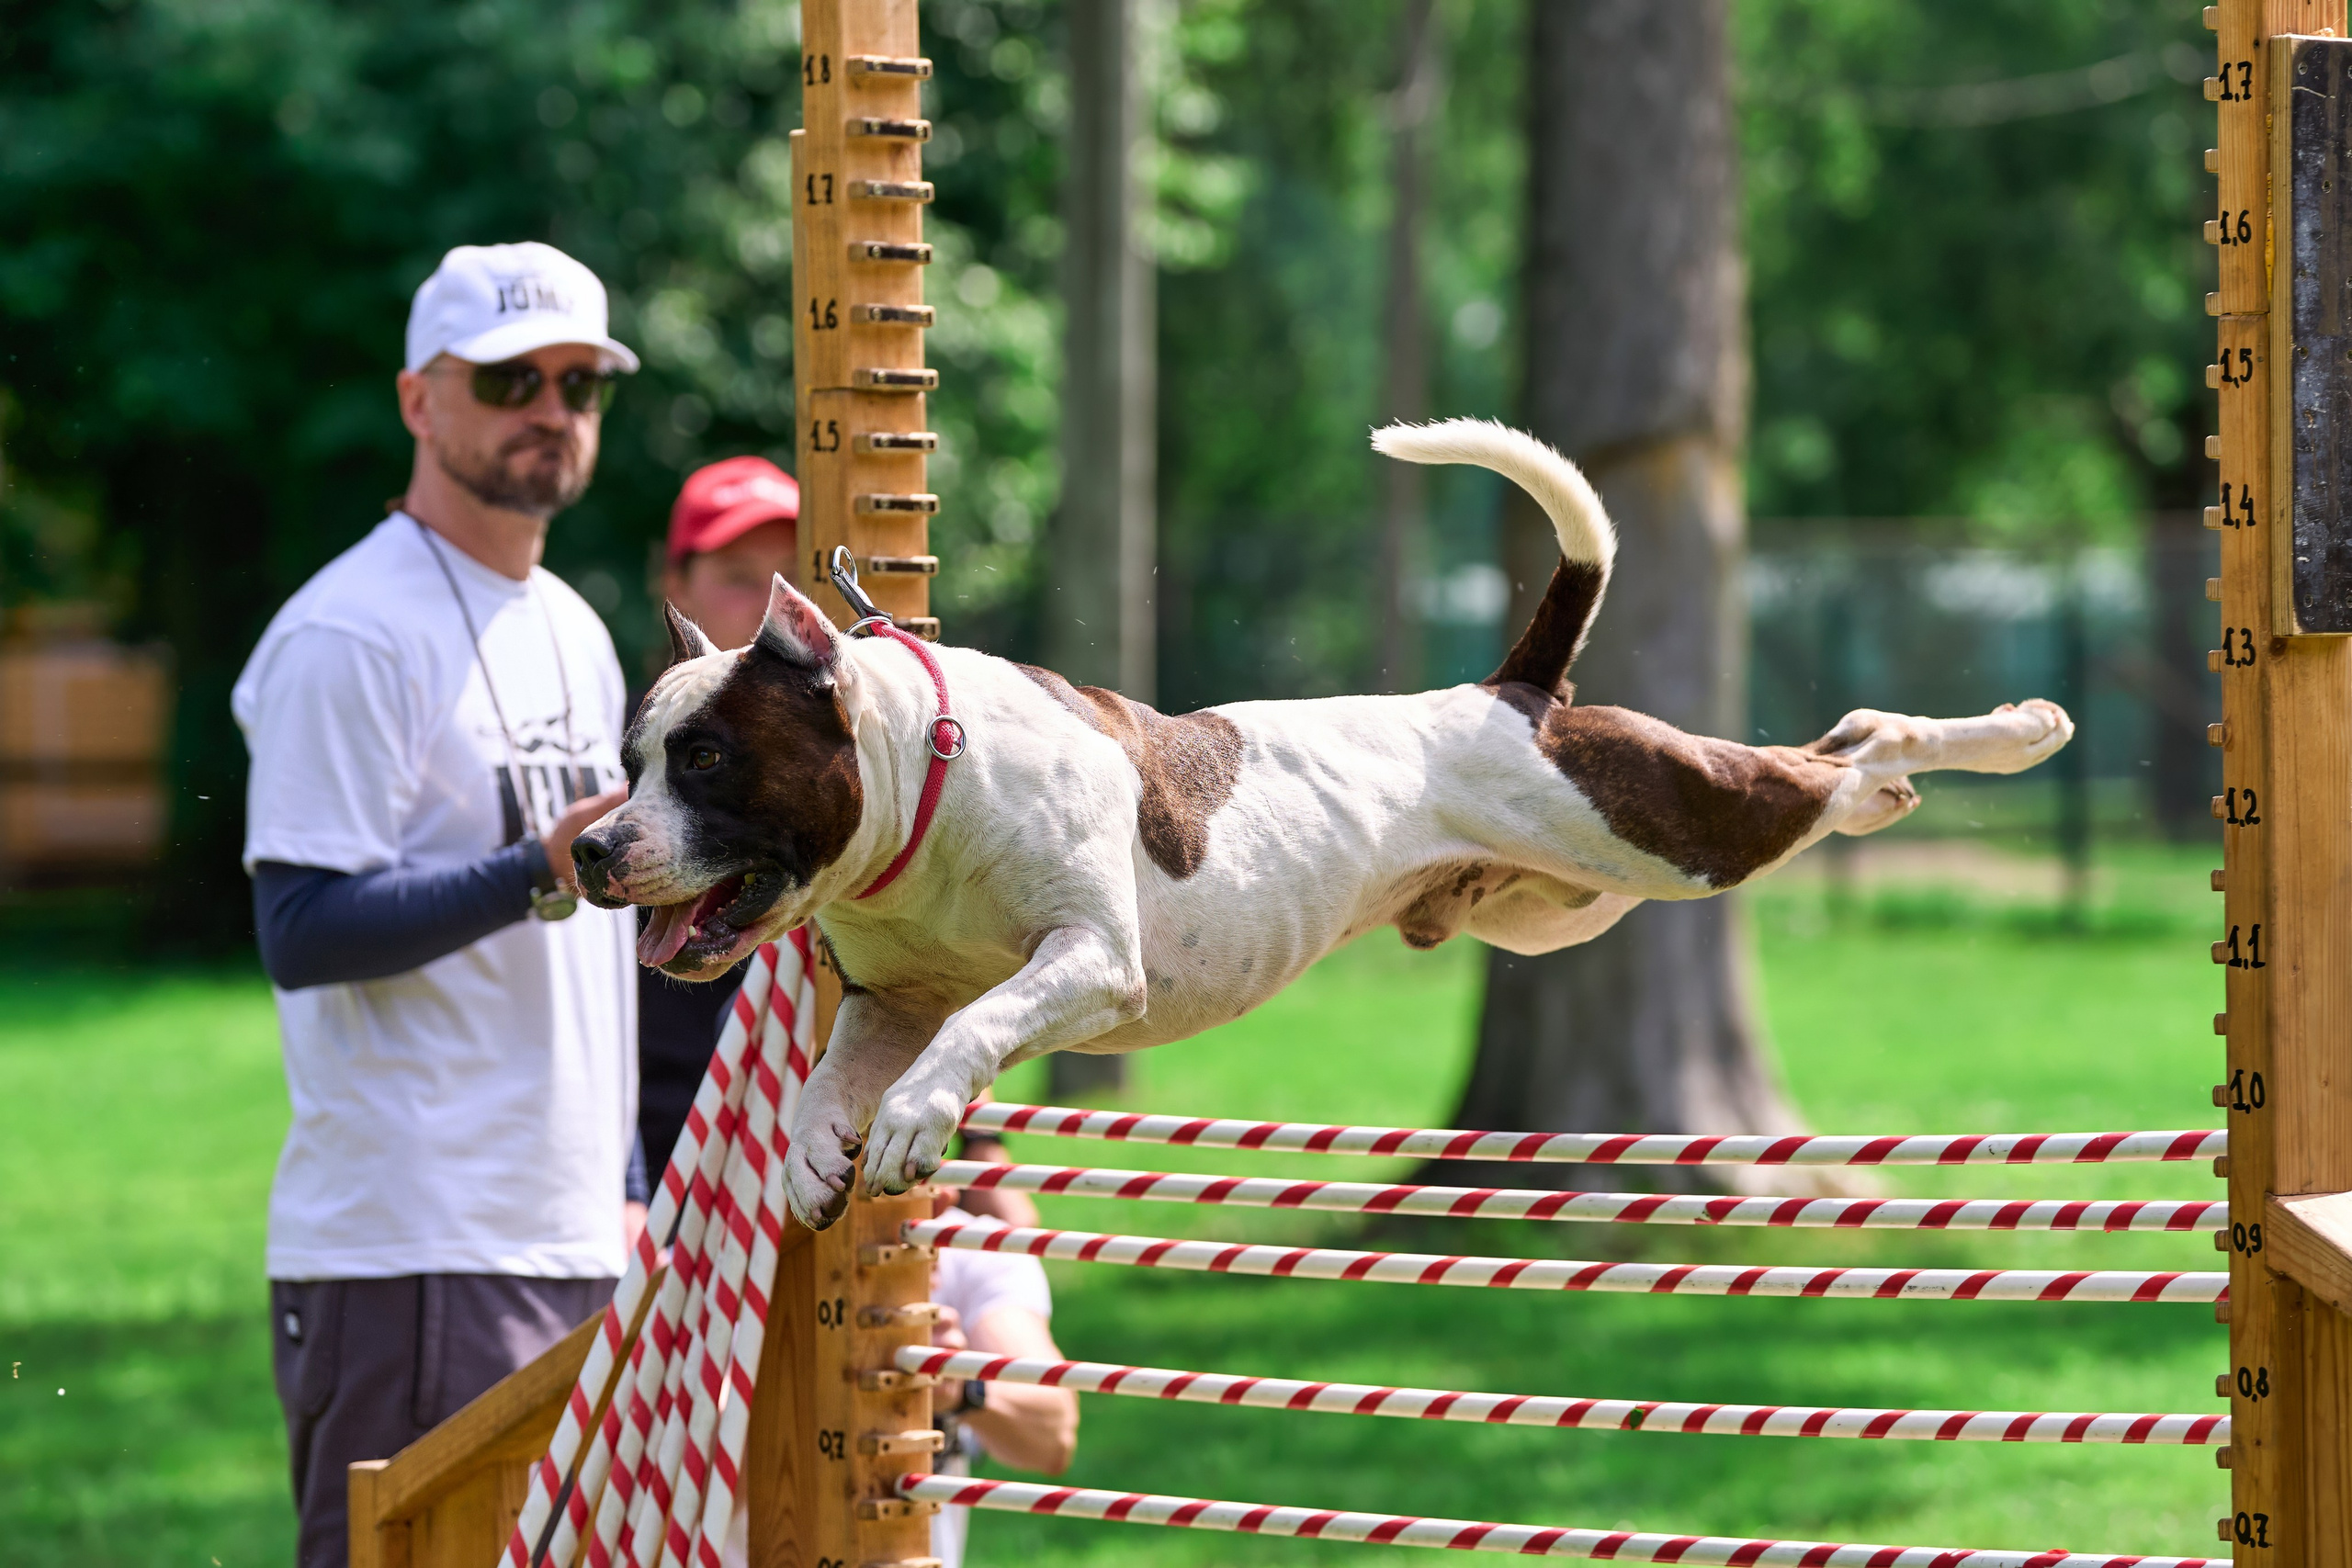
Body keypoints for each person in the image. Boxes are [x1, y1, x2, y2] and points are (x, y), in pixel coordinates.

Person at [232, 241, 643, 1567]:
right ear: (420, 399)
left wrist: (626, 1182)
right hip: (416, 1242)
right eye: (512, 376)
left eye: (581, 383)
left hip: (575, 1229)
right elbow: (301, 928)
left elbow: (596, 954)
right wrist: (535, 868)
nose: (552, 409)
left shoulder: (576, 625)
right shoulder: (348, 631)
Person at [634, 456, 800, 1177]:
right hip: (678, 1176)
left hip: (834, 1151)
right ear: (676, 590)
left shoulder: (865, 768)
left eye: (790, 578)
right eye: (738, 576)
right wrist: (629, 1185)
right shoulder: (633, 776)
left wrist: (981, 1149)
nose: (767, 606)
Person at [922, 1175, 1078, 1568]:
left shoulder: (975, 1248)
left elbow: (1053, 1436)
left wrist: (959, 1389)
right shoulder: (757, 1259)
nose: (945, 1192)